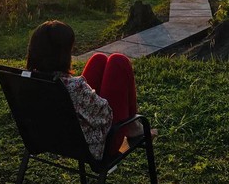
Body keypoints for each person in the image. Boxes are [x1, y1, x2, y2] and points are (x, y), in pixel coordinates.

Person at [26, 20, 153, 159]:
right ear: (63, 54)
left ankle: (132, 125)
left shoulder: (27, 81)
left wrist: (88, 96)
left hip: (52, 140)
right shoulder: (73, 88)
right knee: (118, 61)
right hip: (96, 146)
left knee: (98, 59)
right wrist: (92, 97)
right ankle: (133, 125)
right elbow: (106, 115)